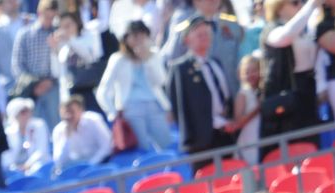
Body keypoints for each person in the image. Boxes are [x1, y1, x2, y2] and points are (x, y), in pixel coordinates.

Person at [172, 17, 238, 168]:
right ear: (187, 39)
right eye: (198, 34)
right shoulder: (181, 68)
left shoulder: (216, 63)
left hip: (225, 134)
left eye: (206, 34)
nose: (204, 37)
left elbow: (225, 96)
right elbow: (180, 108)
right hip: (202, 140)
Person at [100, 20, 176, 151]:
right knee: (142, 148)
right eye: (134, 36)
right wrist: (113, 113)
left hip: (155, 106)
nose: (139, 40)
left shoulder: (154, 54)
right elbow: (103, 90)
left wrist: (147, 60)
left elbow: (160, 81)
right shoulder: (118, 59)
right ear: (126, 39)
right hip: (130, 109)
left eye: (142, 35)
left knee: (166, 144)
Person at [263, 0, 325, 140]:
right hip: (289, 92)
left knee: (312, 139)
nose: (300, 6)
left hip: (308, 87)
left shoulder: (304, 29)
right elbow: (285, 37)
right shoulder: (272, 29)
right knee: (295, 142)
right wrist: (311, 5)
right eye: (295, 2)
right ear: (278, 7)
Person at [52, 95, 116, 169]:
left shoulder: (93, 120)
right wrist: (66, 137)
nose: (68, 116)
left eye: (72, 112)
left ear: (81, 110)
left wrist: (90, 165)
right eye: (65, 113)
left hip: (101, 164)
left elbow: (107, 146)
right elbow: (58, 162)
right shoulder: (58, 130)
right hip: (76, 171)